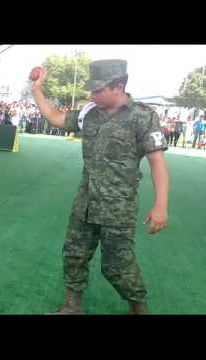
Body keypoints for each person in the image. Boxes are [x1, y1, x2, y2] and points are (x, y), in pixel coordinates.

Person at [31, 59, 169, 315]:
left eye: (98, 89)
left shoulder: (143, 116)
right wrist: (37, 89)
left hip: (118, 207)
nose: (92, 94)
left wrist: (160, 206)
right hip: (85, 202)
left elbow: (157, 163)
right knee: (74, 253)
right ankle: (72, 306)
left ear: (118, 85)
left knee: (118, 264)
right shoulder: (89, 113)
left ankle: (139, 308)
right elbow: (55, 118)